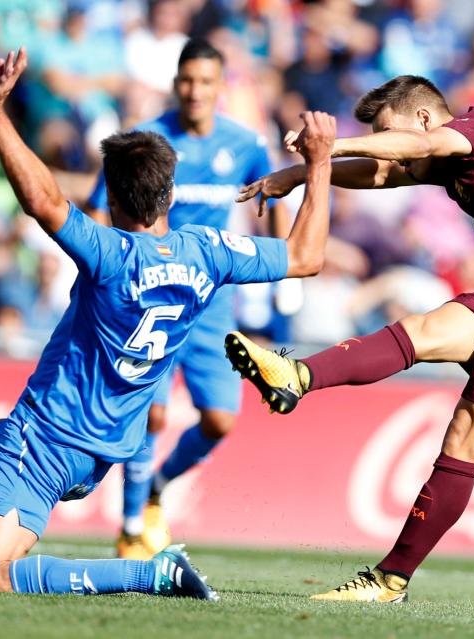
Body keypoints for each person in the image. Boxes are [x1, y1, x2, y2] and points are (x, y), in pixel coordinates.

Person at [0, 46, 337, 598]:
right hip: (103, 451)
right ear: (170, 193)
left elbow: (43, 200)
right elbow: (306, 257)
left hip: (45, 437)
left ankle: (150, 572)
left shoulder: (110, 255)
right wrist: (320, 161)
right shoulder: (210, 251)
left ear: (114, 199)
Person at [229, 75, 474, 603]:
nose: (396, 150)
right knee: (422, 330)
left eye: (389, 131)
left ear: (422, 118)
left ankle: (390, 580)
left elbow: (411, 150)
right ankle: (296, 375)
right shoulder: (451, 162)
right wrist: (304, 171)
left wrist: (333, 142)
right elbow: (383, 172)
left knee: (464, 439)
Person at [86, 39, 290, 560]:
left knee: (220, 419)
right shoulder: (149, 141)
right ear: (175, 82)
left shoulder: (244, 144)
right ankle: (131, 527)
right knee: (149, 416)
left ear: (221, 88)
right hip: (150, 290)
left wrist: (286, 270)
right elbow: (97, 204)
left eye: (204, 81)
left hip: (211, 301)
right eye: (186, 80)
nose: (194, 90)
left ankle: (158, 486)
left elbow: (274, 192)